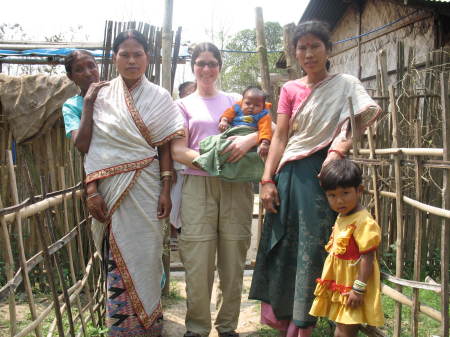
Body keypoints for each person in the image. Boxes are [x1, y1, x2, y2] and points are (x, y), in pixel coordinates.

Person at [248, 21, 381, 337]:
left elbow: (358, 119)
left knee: (316, 247)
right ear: (295, 52)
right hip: (290, 174)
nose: (308, 53)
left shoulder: (345, 83)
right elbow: (280, 136)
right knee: (285, 246)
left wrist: (339, 149)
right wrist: (267, 181)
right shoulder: (291, 90)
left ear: (328, 48)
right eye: (302, 47)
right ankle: (287, 322)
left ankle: (307, 323)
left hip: (326, 176)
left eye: (314, 46)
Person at [82, 30, 184, 337]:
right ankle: (121, 328)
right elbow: (93, 148)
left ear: (147, 58)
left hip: (148, 186)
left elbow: (165, 146)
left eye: (137, 54)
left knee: (148, 255)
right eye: (124, 54)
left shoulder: (160, 96)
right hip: (111, 190)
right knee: (118, 255)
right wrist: (91, 190)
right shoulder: (100, 96)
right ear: (114, 58)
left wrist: (166, 189)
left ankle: (150, 325)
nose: (131, 60)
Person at [171, 42, 258, 337]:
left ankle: (227, 327)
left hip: (237, 186)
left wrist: (250, 140)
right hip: (197, 185)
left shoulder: (236, 100)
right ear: (192, 66)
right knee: (198, 260)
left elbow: (265, 125)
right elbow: (178, 150)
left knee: (234, 259)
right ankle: (196, 328)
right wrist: (213, 161)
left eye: (212, 63)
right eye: (201, 63)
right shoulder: (182, 105)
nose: (206, 69)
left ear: (220, 66)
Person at [309, 159, 384, 337]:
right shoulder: (343, 216)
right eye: (332, 195)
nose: (339, 200)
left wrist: (358, 289)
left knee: (345, 330)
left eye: (345, 193)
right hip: (340, 284)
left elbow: (367, 257)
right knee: (341, 327)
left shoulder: (364, 221)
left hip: (353, 286)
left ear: (359, 191)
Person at [192, 86, 272, 181]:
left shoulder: (263, 116)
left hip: (248, 132)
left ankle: (209, 161)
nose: (251, 107)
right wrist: (224, 121)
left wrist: (264, 142)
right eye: (248, 103)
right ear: (242, 101)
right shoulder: (237, 108)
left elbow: (265, 129)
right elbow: (227, 114)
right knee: (219, 142)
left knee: (234, 151)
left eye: (257, 105)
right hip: (233, 132)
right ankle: (207, 151)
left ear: (263, 106)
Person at [62, 50, 108, 153]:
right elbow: (82, 146)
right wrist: (88, 102)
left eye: (91, 66)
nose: (87, 73)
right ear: (70, 76)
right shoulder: (71, 106)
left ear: (97, 67)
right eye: (79, 70)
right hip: (99, 164)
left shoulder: (115, 94)